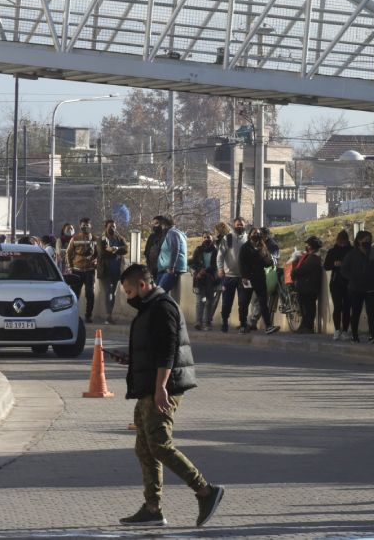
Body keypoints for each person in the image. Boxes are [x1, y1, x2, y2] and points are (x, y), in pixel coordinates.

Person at [108, 264, 224, 528]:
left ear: (142, 285)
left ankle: (205, 490)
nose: (128, 297)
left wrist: (161, 387)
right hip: (149, 387)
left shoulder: (162, 307)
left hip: (162, 389)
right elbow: (153, 349)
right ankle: (153, 508)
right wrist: (131, 359)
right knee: (145, 448)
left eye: (129, 291)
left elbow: (168, 350)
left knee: (160, 445)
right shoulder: (150, 308)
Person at [341, 230, 374, 342]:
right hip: (355, 288)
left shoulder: (373, 253)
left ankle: (372, 335)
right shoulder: (351, 254)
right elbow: (344, 270)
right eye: (365, 240)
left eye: (369, 240)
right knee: (356, 312)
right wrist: (352, 278)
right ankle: (354, 335)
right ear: (359, 241)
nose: (367, 242)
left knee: (371, 312)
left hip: (371, 287)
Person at [239, 227, 277, 334]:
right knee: (244, 303)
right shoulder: (245, 247)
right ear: (250, 235)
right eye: (254, 233)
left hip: (260, 278)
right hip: (248, 279)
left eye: (258, 233)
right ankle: (243, 325)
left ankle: (268, 326)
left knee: (263, 303)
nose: (256, 235)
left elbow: (267, 262)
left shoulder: (262, 247)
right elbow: (241, 263)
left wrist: (269, 261)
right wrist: (244, 276)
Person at [216, 218, 249, 334]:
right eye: (238, 225)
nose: (240, 227)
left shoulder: (248, 238)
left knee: (243, 303)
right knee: (226, 302)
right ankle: (224, 322)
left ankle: (243, 324)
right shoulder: (228, 238)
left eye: (241, 225)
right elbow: (220, 256)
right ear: (234, 225)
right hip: (229, 276)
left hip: (244, 277)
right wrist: (220, 269)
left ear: (245, 226)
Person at [67, 218, 100, 323]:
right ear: (80, 226)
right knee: (75, 294)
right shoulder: (75, 238)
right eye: (83, 225)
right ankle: (73, 315)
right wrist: (70, 267)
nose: (85, 227)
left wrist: (96, 260)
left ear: (91, 226)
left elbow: (99, 254)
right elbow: (68, 253)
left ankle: (88, 315)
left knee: (90, 293)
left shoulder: (95, 239)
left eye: (87, 225)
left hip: (90, 270)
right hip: (77, 270)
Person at [291, 236, 324, 334]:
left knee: (309, 308)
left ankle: (308, 326)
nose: (307, 246)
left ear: (311, 246)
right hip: (305, 287)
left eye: (308, 245)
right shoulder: (311, 257)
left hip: (309, 287)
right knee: (304, 308)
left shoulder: (313, 258)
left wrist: (294, 272)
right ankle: (304, 325)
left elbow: (302, 269)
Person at [188, 232, 220, 331]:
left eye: (208, 237)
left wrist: (206, 270)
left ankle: (207, 322)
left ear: (212, 239)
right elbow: (192, 263)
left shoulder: (216, 251)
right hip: (199, 279)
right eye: (205, 237)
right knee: (200, 301)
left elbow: (217, 265)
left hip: (211, 279)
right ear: (202, 239)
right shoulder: (198, 250)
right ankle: (198, 322)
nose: (206, 239)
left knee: (209, 301)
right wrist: (198, 271)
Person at [98, 220, 128, 324]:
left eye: (114, 226)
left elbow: (126, 249)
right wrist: (112, 251)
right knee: (108, 292)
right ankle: (108, 315)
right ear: (106, 227)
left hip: (116, 270)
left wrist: (115, 249)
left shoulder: (119, 238)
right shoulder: (101, 239)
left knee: (113, 293)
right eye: (111, 226)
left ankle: (109, 315)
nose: (113, 228)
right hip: (105, 271)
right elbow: (102, 252)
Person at [324, 230, 352, 340]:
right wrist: (334, 264)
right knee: (338, 307)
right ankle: (337, 329)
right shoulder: (332, 251)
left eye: (344, 242)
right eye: (341, 242)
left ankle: (345, 330)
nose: (342, 244)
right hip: (336, 282)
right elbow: (326, 266)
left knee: (347, 307)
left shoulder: (351, 251)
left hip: (348, 282)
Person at [154, 216, 187, 293]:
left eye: (159, 224)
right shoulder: (174, 233)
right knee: (154, 293)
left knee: (158, 294)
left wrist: (171, 267)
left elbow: (175, 249)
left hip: (170, 270)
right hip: (164, 270)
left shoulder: (172, 233)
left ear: (164, 225)